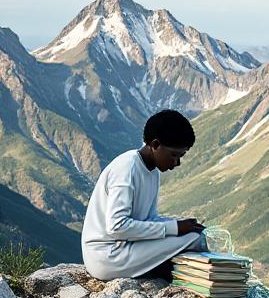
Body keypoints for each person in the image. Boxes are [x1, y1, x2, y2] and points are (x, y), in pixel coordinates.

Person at [81, 109, 207, 280]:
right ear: (155, 145)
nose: (177, 163)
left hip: (124, 247)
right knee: (194, 239)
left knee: (194, 233)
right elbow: (117, 227)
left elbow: (147, 218)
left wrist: (179, 223)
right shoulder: (127, 169)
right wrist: (175, 228)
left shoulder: (152, 171)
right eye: (174, 155)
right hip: (106, 256)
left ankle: (163, 272)